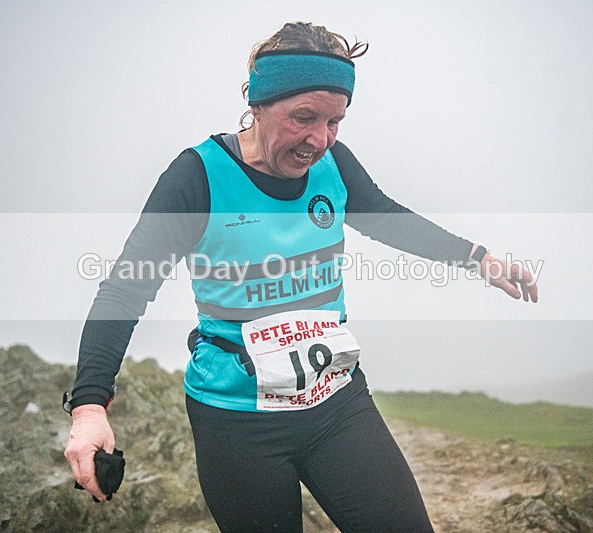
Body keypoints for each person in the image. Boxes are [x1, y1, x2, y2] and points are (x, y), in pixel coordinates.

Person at [64, 21, 539, 532]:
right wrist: (89, 407)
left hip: (336, 404)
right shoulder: (198, 177)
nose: (320, 139)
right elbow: (125, 288)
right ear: (258, 104)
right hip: (237, 423)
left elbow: (384, 215)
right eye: (304, 117)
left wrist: (479, 258)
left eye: (336, 121)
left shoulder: (333, 165)